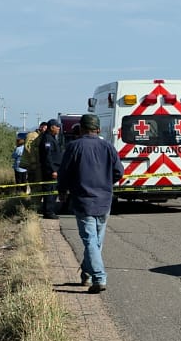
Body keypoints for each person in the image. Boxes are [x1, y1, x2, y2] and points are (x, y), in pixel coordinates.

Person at [57, 113, 122, 293]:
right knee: (96, 241)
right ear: (98, 129)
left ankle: (99, 277)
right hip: (104, 201)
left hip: (83, 201)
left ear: (81, 129)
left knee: (90, 241)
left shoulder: (74, 147)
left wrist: (62, 190)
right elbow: (119, 171)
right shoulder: (108, 147)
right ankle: (86, 274)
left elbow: (64, 172)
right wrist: (106, 184)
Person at [38, 118, 64, 219]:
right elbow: (47, 156)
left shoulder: (52, 138)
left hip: (55, 169)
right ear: (52, 127)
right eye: (57, 127)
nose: (58, 129)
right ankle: (48, 212)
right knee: (49, 191)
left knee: (53, 192)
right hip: (50, 171)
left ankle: (50, 210)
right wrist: (53, 170)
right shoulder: (47, 139)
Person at [23, 121, 47, 204]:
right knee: (35, 186)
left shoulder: (41, 136)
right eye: (45, 128)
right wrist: (33, 162)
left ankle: (36, 204)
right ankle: (34, 205)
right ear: (41, 127)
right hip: (33, 165)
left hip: (38, 165)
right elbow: (28, 148)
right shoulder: (32, 135)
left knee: (39, 186)